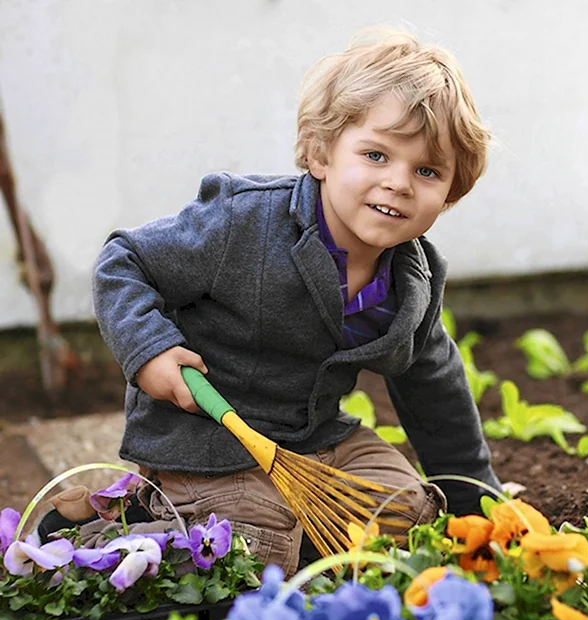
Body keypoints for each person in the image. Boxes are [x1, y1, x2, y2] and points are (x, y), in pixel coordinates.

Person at [86, 28, 503, 575]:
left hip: (316, 443)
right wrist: (149, 350)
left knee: (408, 519)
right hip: (209, 438)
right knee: (253, 543)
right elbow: (124, 261)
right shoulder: (243, 221)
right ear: (320, 152)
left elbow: (434, 387)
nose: (399, 182)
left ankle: (294, 528)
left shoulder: (412, 282)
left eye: (427, 171)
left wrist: (479, 504)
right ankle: (139, 509)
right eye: (376, 155)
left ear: (449, 193)